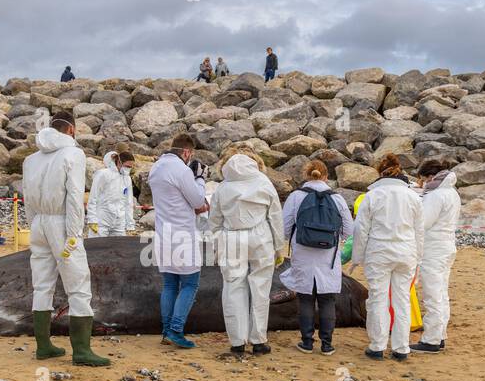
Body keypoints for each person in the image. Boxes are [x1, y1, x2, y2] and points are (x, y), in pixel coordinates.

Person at [21, 111, 109, 366]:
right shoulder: (73, 154)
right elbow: (73, 197)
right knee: (78, 285)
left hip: (38, 222)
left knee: (42, 284)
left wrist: (34, 225)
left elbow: (27, 197)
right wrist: (74, 234)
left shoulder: (31, 159)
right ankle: (81, 350)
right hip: (61, 223)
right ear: (71, 130)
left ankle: (43, 345)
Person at [208, 151, 285, 356]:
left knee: (233, 287)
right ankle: (258, 340)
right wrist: (279, 247)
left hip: (232, 236)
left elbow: (214, 220)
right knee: (260, 288)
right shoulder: (264, 182)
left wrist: (216, 245)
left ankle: (237, 342)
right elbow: (275, 216)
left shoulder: (223, 187)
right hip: (261, 235)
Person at [349, 153, 423, 361]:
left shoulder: (373, 196)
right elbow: (420, 231)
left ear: (380, 172)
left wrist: (357, 257)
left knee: (378, 299)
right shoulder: (413, 197)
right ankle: (401, 347)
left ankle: (377, 345)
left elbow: (361, 230)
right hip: (406, 251)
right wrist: (419, 257)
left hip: (379, 251)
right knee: (402, 300)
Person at [281, 160, 354, 355]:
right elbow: (348, 230)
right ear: (326, 176)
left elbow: (284, 228)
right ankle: (327, 344)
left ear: (306, 175)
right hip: (328, 255)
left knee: (305, 298)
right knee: (327, 299)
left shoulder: (296, 196)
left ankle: (306, 342)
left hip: (303, 252)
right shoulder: (337, 198)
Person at [147, 134, 208, 349]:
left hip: (163, 232)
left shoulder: (155, 168)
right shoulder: (181, 170)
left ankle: (166, 330)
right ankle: (176, 329)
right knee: (190, 283)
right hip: (182, 234)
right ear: (187, 152)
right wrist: (200, 178)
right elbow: (198, 201)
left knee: (170, 284)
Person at [412, 164, 460, 353]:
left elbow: (424, 222)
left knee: (432, 295)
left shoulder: (436, 195)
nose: (422, 183)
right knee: (441, 294)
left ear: (430, 177)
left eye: (423, 179)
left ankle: (431, 340)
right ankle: (439, 335)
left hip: (434, 249)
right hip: (447, 246)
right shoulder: (451, 192)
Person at [87, 150, 136, 237]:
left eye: (131, 167)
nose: (128, 169)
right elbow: (93, 197)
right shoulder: (103, 174)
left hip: (119, 222)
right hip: (101, 220)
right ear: (119, 162)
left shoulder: (127, 178)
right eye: (127, 166)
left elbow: (128, 203)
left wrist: (130, 225)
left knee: (119, 249)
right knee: (98, 249)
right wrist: (92, 219)